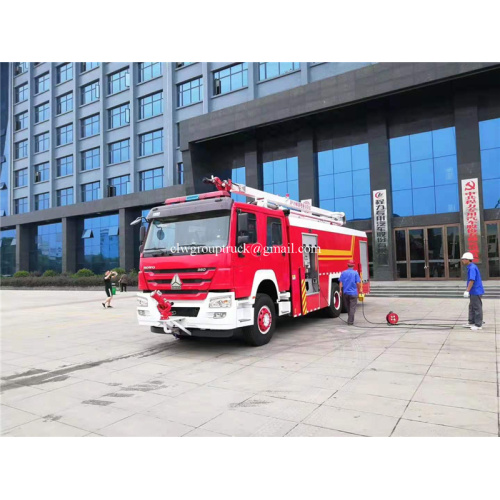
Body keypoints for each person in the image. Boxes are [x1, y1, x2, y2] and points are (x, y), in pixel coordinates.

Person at [461, 252, 484, 331]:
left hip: (476, 291)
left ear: (468, 260)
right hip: (473, 291)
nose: (462, 261)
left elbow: (472, 280)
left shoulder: (472, 268)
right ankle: (471, 322)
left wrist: (467, 290)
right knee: (471, 307)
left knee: (477, 307)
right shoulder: (471, 267)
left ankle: (478, 324)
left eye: (464, 259)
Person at [339, 260, 362, 326]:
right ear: (354, 265)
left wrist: (340, 290)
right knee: (352, 308)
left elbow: (340, 282)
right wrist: (360, 290)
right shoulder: (355, 273)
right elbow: (357, 283)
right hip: (353, 293)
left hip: (345, 293)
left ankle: (349, 319)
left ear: (347, 265)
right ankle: (350, 321)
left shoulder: (343, 273)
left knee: (348, 307)